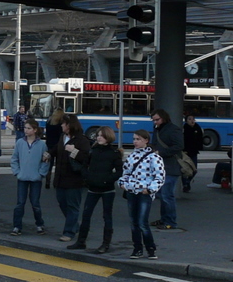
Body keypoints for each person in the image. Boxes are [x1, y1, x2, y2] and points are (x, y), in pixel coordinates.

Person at [69, 126, 123, 253]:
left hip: (107, 189)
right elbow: (84, 166)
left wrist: (107, 179)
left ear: (108, 137)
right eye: (98, 135)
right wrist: (87, 178)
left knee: (107, 216)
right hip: (93, 187)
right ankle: (81, 241)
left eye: (102, 136)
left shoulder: (113, 153)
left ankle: (106, 243)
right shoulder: (92, 151)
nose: (99, 137)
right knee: (86, 214)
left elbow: (120, 171)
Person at [118, 129, 165, 259]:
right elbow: (125, 173)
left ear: (146, 140)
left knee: (142, 222)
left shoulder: (154, 157)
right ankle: (137, 248)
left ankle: (151, 249)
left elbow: (160, 176)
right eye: (134, 139)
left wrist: (150, 190)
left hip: (144, 193)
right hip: (132, 192)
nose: (135, 142)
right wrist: (122, 183)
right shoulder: (132, 156)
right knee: (134, 222)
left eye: (138, 139)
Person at [54, 113, 91, 242]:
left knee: (72, 206)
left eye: (63, 124)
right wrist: (48, 153)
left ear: (69, 126)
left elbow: (87, 158)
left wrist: (74, 151)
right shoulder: (62, 137)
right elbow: (57, 150)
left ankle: (69, 232)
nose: (61, 126)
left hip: (74, 179)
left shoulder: (82, 140)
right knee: (62, 203)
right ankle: (74, 225)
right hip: (60, 178)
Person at [10, 118, 49, 236]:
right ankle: (17, 226)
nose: (25, 130)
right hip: (22, 178)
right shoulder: (20, 143)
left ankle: (39, 224)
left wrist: (41, 174)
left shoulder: (42, 144)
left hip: (35, 179)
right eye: (25, 128)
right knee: (20, 203)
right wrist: (17, 172)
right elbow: (14, 159)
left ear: (35, 130)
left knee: (35, 203)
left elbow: (45, 161)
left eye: (28, 128)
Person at [149, 108, 182, 229]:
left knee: (167, 195)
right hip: (161, 166)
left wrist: (160, 152)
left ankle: (170, 222)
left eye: (157, 120)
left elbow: (179, 146)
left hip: (171, 166)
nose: (155, 122)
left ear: (164, 118)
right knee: (164, 195)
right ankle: (165, 220)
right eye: (153, 120)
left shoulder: (173, 129)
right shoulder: (159, 129)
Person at [182, 114, 204, 192]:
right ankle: (185, 184)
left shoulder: (197, 128)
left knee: (194, 170)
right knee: (185, 169)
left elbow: (200, 139)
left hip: (194, 152)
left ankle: (187, 182)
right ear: (186, 120)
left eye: (193, 119)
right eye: (190, 119)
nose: (192, 121)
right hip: (185, 152)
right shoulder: (184, 129)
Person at [44, 109, 64, 189]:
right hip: (58, 145)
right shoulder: (60, 123)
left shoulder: (48, 121)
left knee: (49, 164)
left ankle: (47, 182)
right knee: (58, 164)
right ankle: (56, 182)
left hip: (49, 144)